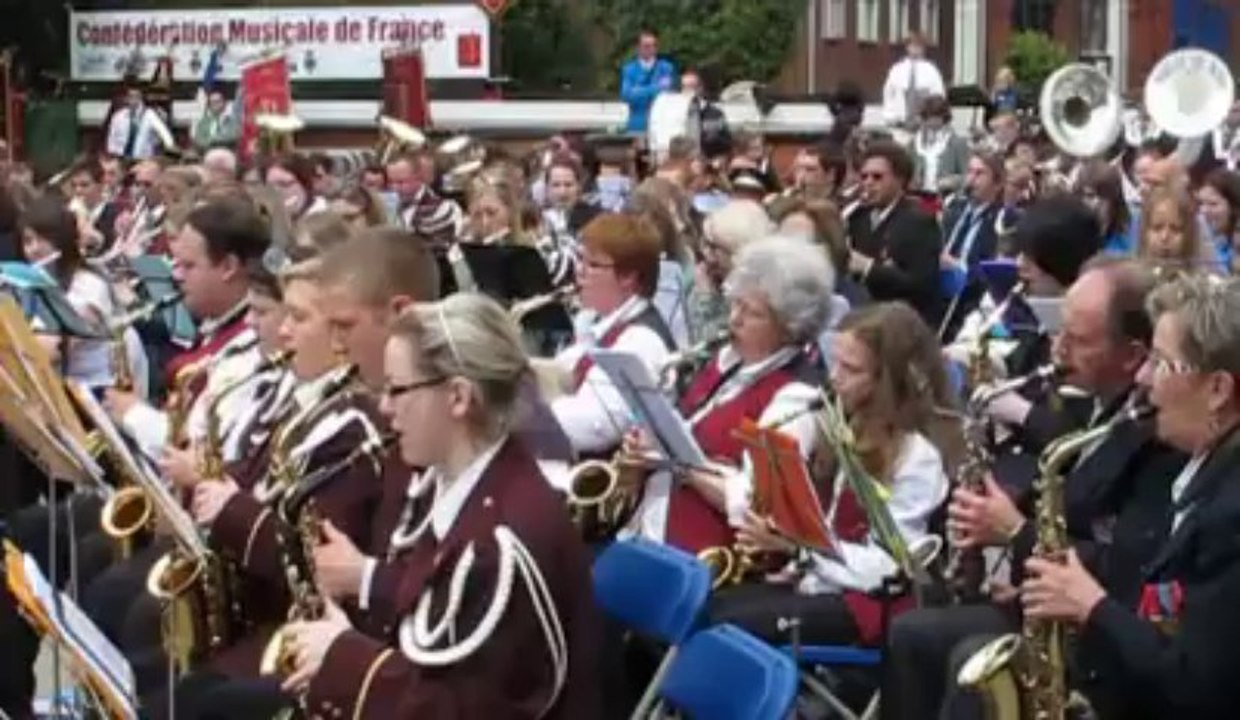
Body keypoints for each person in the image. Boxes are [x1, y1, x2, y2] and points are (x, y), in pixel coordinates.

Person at [882, 259, 1185, 720]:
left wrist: (1014, 531)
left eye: (1078, 340)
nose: (1057, 349)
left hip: (1095, 637)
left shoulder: (1158, 438)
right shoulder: (1097, 407)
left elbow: (1125, 564)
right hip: (1050, 606)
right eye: (1059, 331)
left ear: (1131, 355)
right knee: (912, 635)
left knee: (960, 655)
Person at [280, 293, 601, 718]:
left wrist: (344, 658)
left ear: (458, 397)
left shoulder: (499, 542)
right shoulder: (470, 481)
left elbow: (471, 711)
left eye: (397, 389)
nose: (385, 407)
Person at [1012, 273, 1240, 718]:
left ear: (1218, 389)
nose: (1144, 377)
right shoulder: (1201, 472)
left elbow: (1196, 682)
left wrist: (1090, 605)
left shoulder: (1230, 514)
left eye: (1162, 362)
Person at [715, 302, 960, 648]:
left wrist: (799, 550)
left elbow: (889, 566)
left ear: (889, 382)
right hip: (821, 583)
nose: (834, 377)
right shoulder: (846, 419)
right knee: (710, 605)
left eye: (851, 369)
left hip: (869, 606)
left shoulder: (918, 458)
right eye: (836, 362)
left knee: (729, 626)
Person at [550, 213, 675, 456]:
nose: (579, 272)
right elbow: (564, 368)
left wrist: (519, 414)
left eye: (592, 265)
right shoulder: (595, 320)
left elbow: (594, 426)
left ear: (628, 277)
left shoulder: (642, 341)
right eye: (580, 259)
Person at [845, 141, 944, 326]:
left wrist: (868, 268)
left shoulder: (919, 221)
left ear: (900, 179)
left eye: (877, 177)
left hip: (902, 321)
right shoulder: (857, 217)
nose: (868, 183)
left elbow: (921, 285)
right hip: (862, 312)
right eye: (864, 176)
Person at [881, 32, 946, 129]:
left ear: (923, 48)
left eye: (919, 46)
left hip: (924, 124)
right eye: (912, 45)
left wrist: (931, 117)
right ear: (907, 47)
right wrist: (889, 116)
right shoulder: (897, 69)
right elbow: (888, 94)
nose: (915, 49)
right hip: (899, 122)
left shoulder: (931, 71)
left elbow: (939, 96)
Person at [620, 29, 676, 133]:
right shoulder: (629, 69)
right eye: (646, 46)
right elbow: (626, 95)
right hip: (637, 123)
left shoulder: (666, 68)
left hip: (661, 123)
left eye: (653, 46)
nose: (650, 49)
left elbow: (665, 91)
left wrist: (637, 90)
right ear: (638, 48)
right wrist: (655, 88)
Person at [106, 83, 171, 161]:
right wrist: (113, 155)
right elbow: (111, 138)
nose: (133, 99)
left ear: (141, 98)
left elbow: (165, 136)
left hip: (142, 159)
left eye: (136, 96)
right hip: (120, 158)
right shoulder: (118, 116)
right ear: (126, 99)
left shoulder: (150, 115)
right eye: (131, 96)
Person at [192, 88, 240, 153]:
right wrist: (215, 141)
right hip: (207, 153)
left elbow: (232, 136)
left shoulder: (232, 121)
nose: (215, 105)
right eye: (212, 102)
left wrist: (212, 140)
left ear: (225, 103)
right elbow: (199, 140)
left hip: (226, 153)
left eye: (218, 101)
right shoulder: (203, 122)